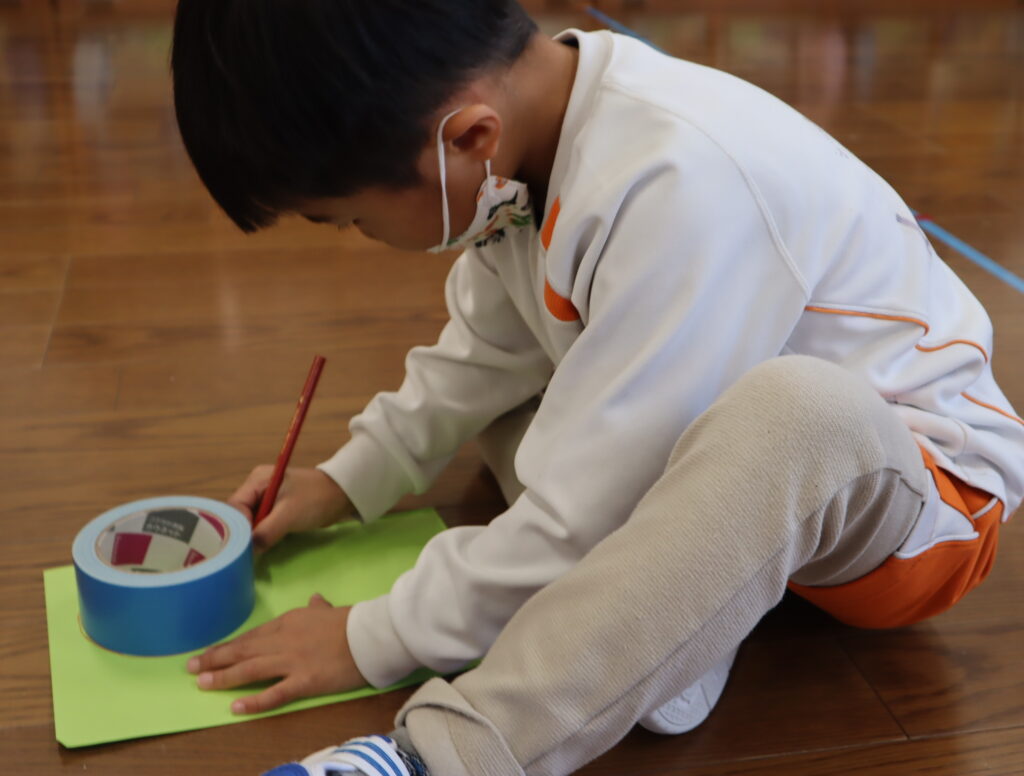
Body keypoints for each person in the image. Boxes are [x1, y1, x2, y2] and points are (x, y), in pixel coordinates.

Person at [170, 1, 1024, 774]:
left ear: (466, 138)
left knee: (799, 413)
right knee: (522, 404)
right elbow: (483, 354)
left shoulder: (680, 180)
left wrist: (373, 636)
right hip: (723, 464)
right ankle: (666, 616)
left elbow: (585, 510)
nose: (362, 236)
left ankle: (443, 756)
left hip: (914, 498)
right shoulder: (519, 149)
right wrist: (346, 480)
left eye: (353, 218)